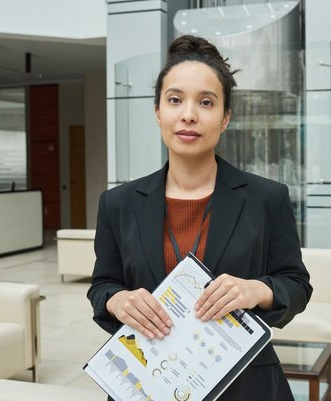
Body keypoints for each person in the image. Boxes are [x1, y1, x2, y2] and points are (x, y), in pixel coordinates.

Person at [87, 34, 312, 400]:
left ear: (225, 118)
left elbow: (297, 284)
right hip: (149, 383)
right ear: (158, 111)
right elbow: (102, 286)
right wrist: (117, 301)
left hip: (244, 384)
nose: (188, 114)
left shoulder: (266, 198)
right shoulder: (118, 203)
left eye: (206, 102)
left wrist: (258, 290)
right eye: (175, 100)